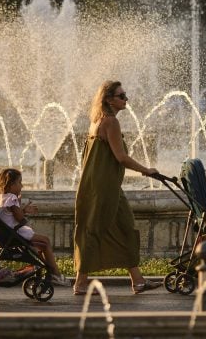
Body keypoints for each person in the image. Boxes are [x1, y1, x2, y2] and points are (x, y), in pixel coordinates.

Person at [73, 80, 162, 295]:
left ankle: (138, 280)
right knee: (94, 228)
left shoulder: (96, 121)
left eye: (125, 95)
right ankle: (80, 283)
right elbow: (121, 157)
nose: (126, 100)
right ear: (109, 99)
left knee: (124, 226)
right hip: (104, 186)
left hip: (100, 184)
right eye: (121, 96)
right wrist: (146, 170)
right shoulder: (110, 122)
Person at [0, 168, 70, 286]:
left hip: (7, 234)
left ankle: (50, 270)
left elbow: (13, 215)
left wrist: (20, 208)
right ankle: (55, 273)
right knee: (46, 241)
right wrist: (24, 210)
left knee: (42, 246)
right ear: (10, 185)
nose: (22, 185)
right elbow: (20, 219)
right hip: (14, 234)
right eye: (19, 182)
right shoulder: (11, 198)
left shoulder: (2, 198)